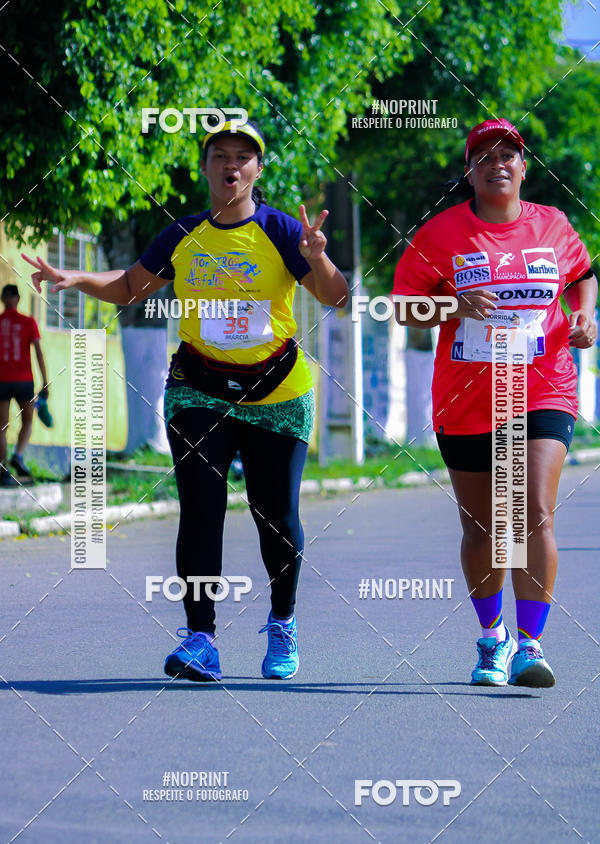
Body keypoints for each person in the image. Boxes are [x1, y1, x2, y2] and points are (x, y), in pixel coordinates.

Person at [23, 119, 348, 682]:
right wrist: (75, 277)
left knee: (277, 519)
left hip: (277, 391)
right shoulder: (183, 234)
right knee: (201, 509)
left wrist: (316, 257)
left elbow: (336, 297)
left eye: (243, 157)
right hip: (198, 389)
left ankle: (282, 621)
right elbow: (130, 287)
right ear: (205, 168)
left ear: (257, 170)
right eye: (219, 155)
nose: (231, 165)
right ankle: (201, 638)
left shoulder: (281, 231)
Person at [393, 118, 597, 688]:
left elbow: (583, 276)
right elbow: (405, 307)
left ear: (523, 167)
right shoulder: (440, 234)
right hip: (466, 397)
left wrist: (584, 316)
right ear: (469, 171)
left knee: (532, 509)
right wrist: (454, 306)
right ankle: (493, 639)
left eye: (509, 153)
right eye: (485, 155)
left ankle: (531, 646)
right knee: (484, 527)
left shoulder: (552, 225)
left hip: (542, 385)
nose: (498, 162)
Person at [0, 284, 49, 486]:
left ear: (3, 300)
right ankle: (18, 455)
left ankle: (3, 469)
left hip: (1, 380)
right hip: (24, 381)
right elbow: (38, 352)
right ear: (18, 299)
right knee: (27, 421)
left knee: (1, 427)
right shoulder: (28, 322)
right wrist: (45, 381)